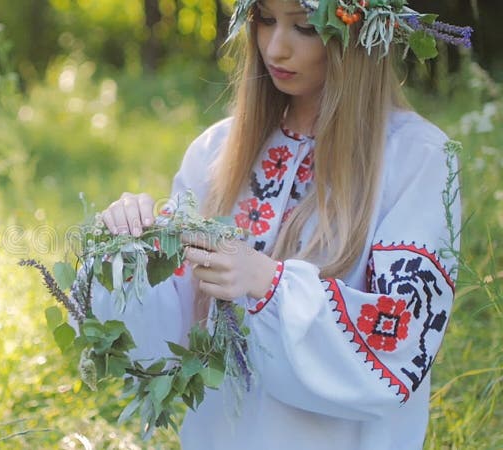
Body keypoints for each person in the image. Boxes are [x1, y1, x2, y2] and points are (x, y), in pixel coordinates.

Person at [91, 0, 467, 448]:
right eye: (265, 20)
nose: (274, 48)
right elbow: (168, 332)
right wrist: (133, 246)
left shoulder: (416, 157)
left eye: (305, 28)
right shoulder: (217, 150)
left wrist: (266, 281)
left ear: (359, 33)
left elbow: (405, 340)